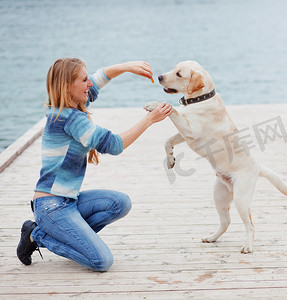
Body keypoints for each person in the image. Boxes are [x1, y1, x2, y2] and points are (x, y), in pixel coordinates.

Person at [16, 58, 173, 271]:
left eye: (87, 78)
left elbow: (98, 79)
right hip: (51, 207)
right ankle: (37, 235)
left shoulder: (68, 106)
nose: (89, 83)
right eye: (83, 80)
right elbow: (114, 145)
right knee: (102, 261)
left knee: (120, 203)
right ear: (67, 86)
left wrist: (126, 67)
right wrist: (149, 120)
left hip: (68, 201)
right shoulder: (69, 118)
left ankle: (71, 237)